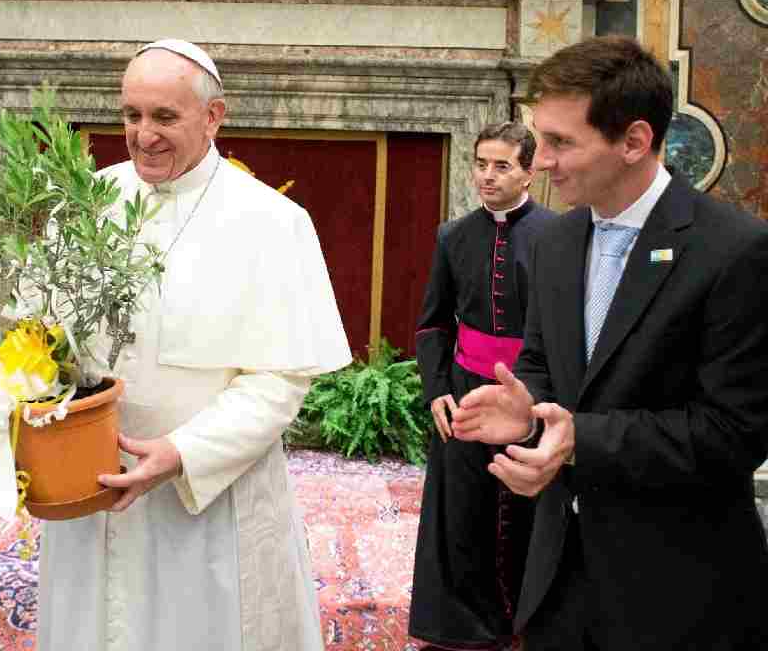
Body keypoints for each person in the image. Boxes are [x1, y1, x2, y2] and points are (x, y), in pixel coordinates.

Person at [451, 36, 768, 650]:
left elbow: (735, 433)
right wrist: (528, 413)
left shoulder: (735, 250)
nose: (540, 161)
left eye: (561, 143)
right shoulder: (555, 242)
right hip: (558, 587)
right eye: (539, 138)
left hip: (681, 594)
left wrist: (580, 440)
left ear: (634, 141)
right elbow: (544, 364)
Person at [35, 39, 351, 651]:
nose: (142, 134)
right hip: (91, 488)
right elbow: (43, 344)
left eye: (164, 117)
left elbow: (278, 381)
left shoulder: (272, 222)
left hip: (206, 500)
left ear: (214, 116)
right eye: (131, 115)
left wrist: (180, 453)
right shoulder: (83, 206)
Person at [409, 121, 553, 651]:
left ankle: (527, 622)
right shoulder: (453, 235)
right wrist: (437, 389)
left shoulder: (558, 236)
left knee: (528, 513)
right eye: (480, 163)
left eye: (502, 166)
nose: (487, 177)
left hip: (533, 395)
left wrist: (547, 398)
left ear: (529, 173)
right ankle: (460, 628)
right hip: (466, 394)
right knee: (461, 513)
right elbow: (432, 323)